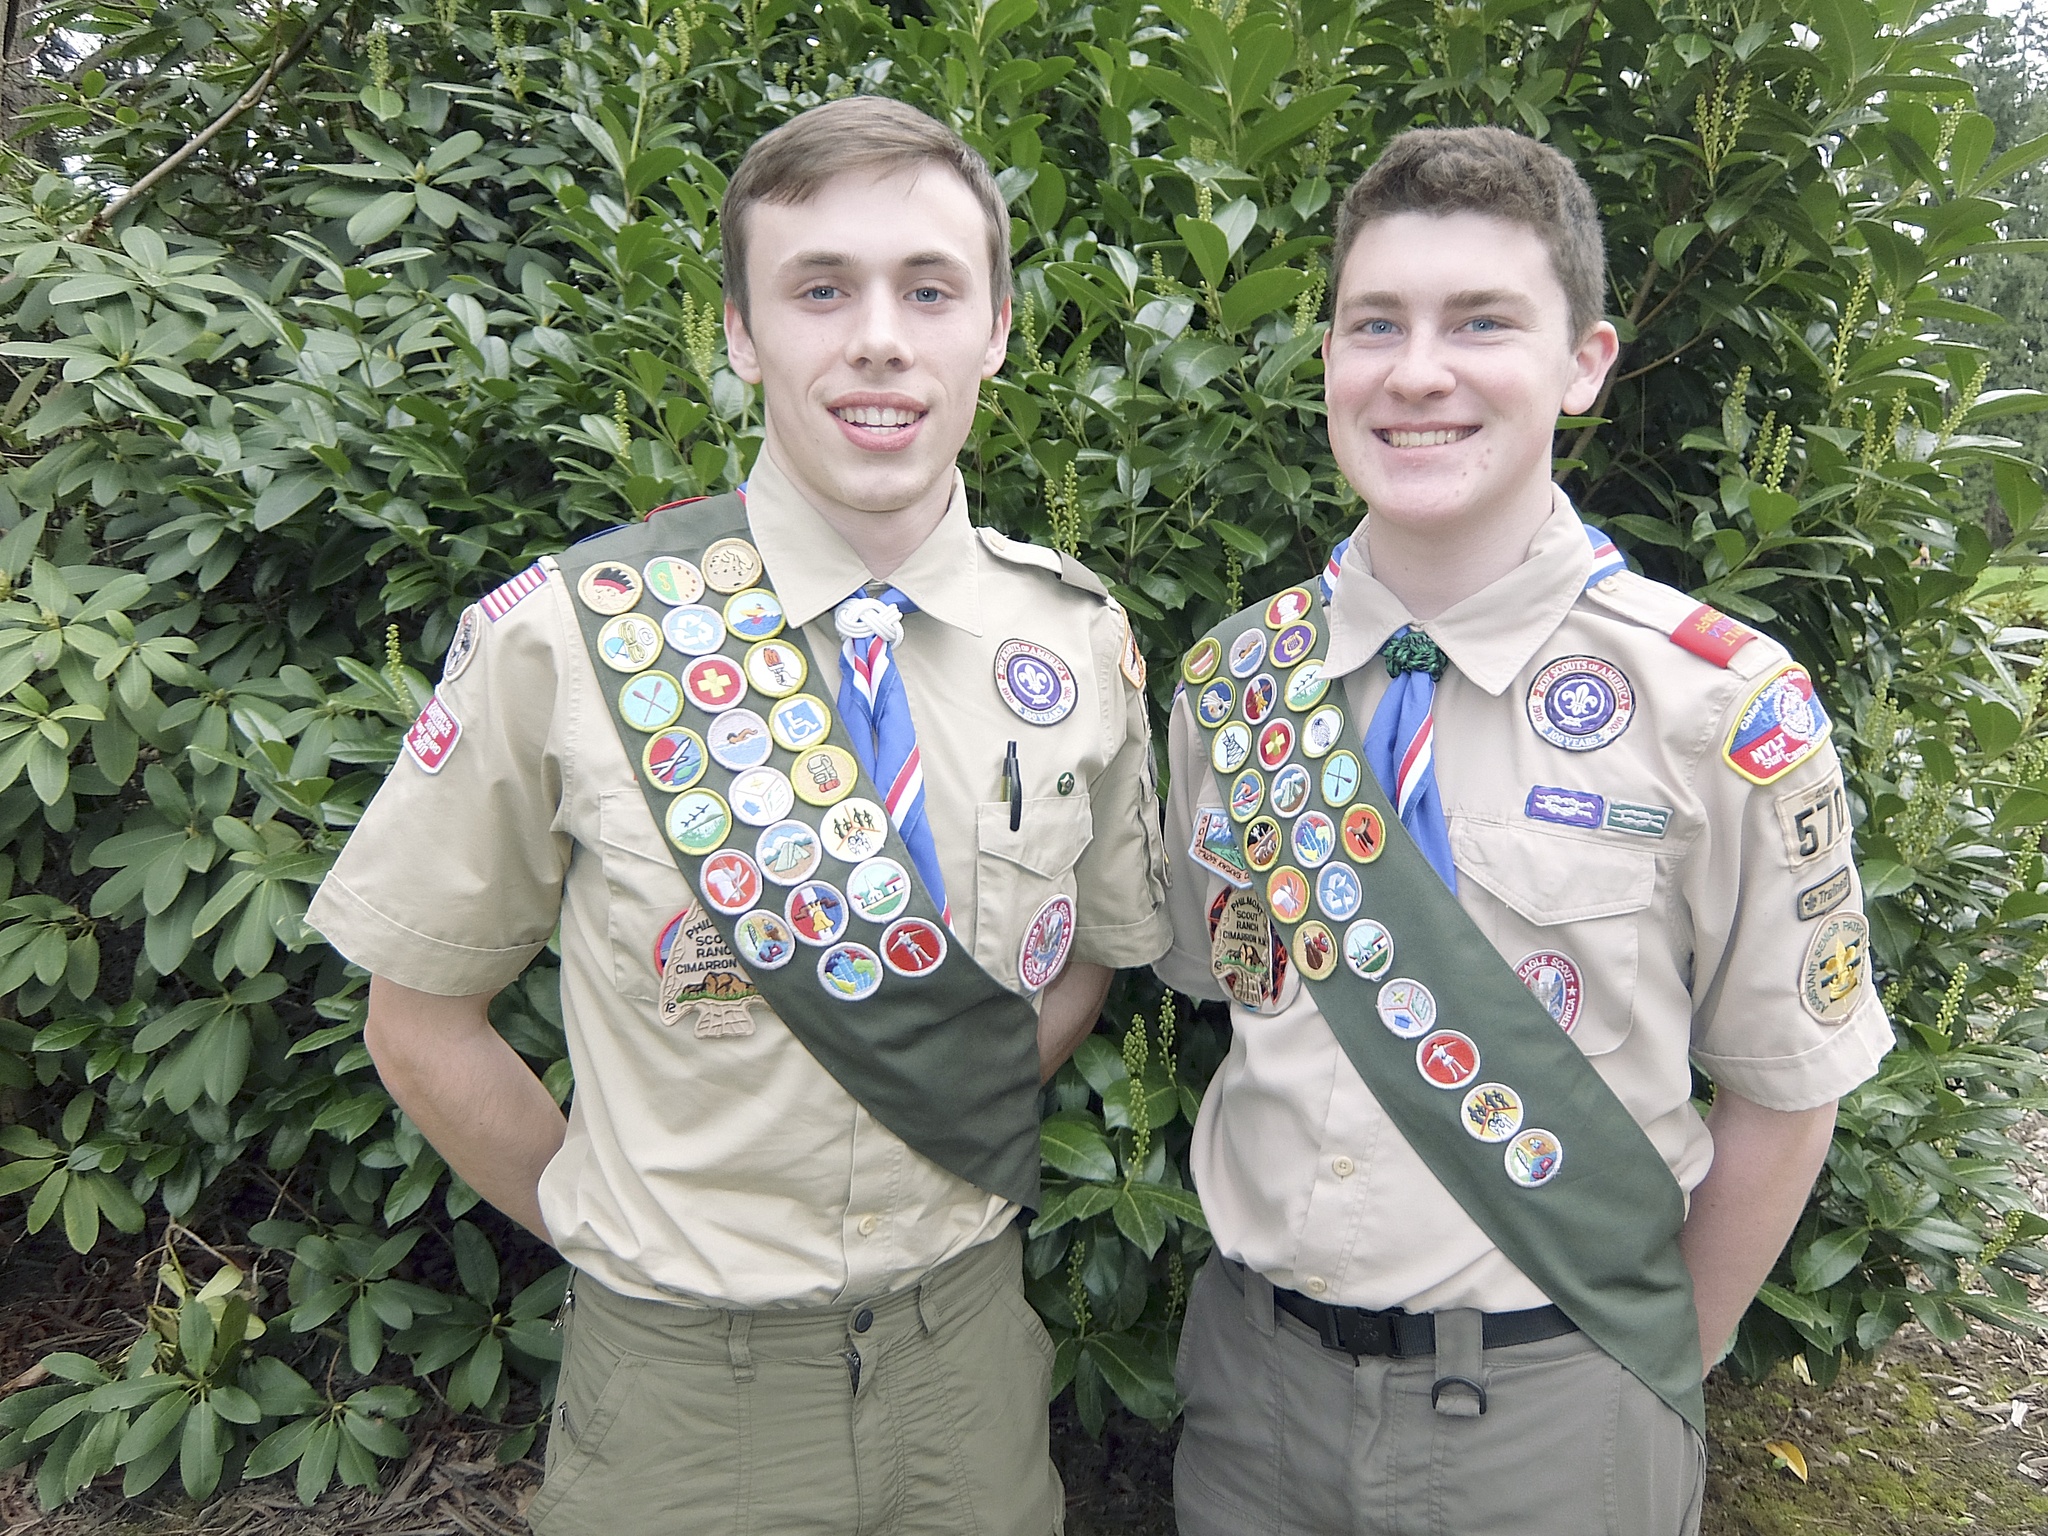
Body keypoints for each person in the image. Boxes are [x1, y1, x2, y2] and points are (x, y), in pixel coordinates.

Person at [307, 96, 1170, 1535]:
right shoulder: (579, 638)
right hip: (676, 1401)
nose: (880, 337)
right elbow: (421, 1020)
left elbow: (1098, 949)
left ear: (998, 328)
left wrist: (944, 1087)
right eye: (820, 288)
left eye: (931, 289)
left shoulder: (1074, 643)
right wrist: (621, 1226)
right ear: (741, 332)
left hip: (972, 1377)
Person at [1155, 126, 1892, 1536]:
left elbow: (1789, 1091)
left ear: (1584, 363)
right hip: (1251, 1403)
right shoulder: (1234, 686)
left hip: (1559, 1412)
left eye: (1482, 322)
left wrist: (1658, 1357)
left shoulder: (1718, 705)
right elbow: (1224, 986)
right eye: (1376, 324)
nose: (1417, 371)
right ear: (1329, 361)